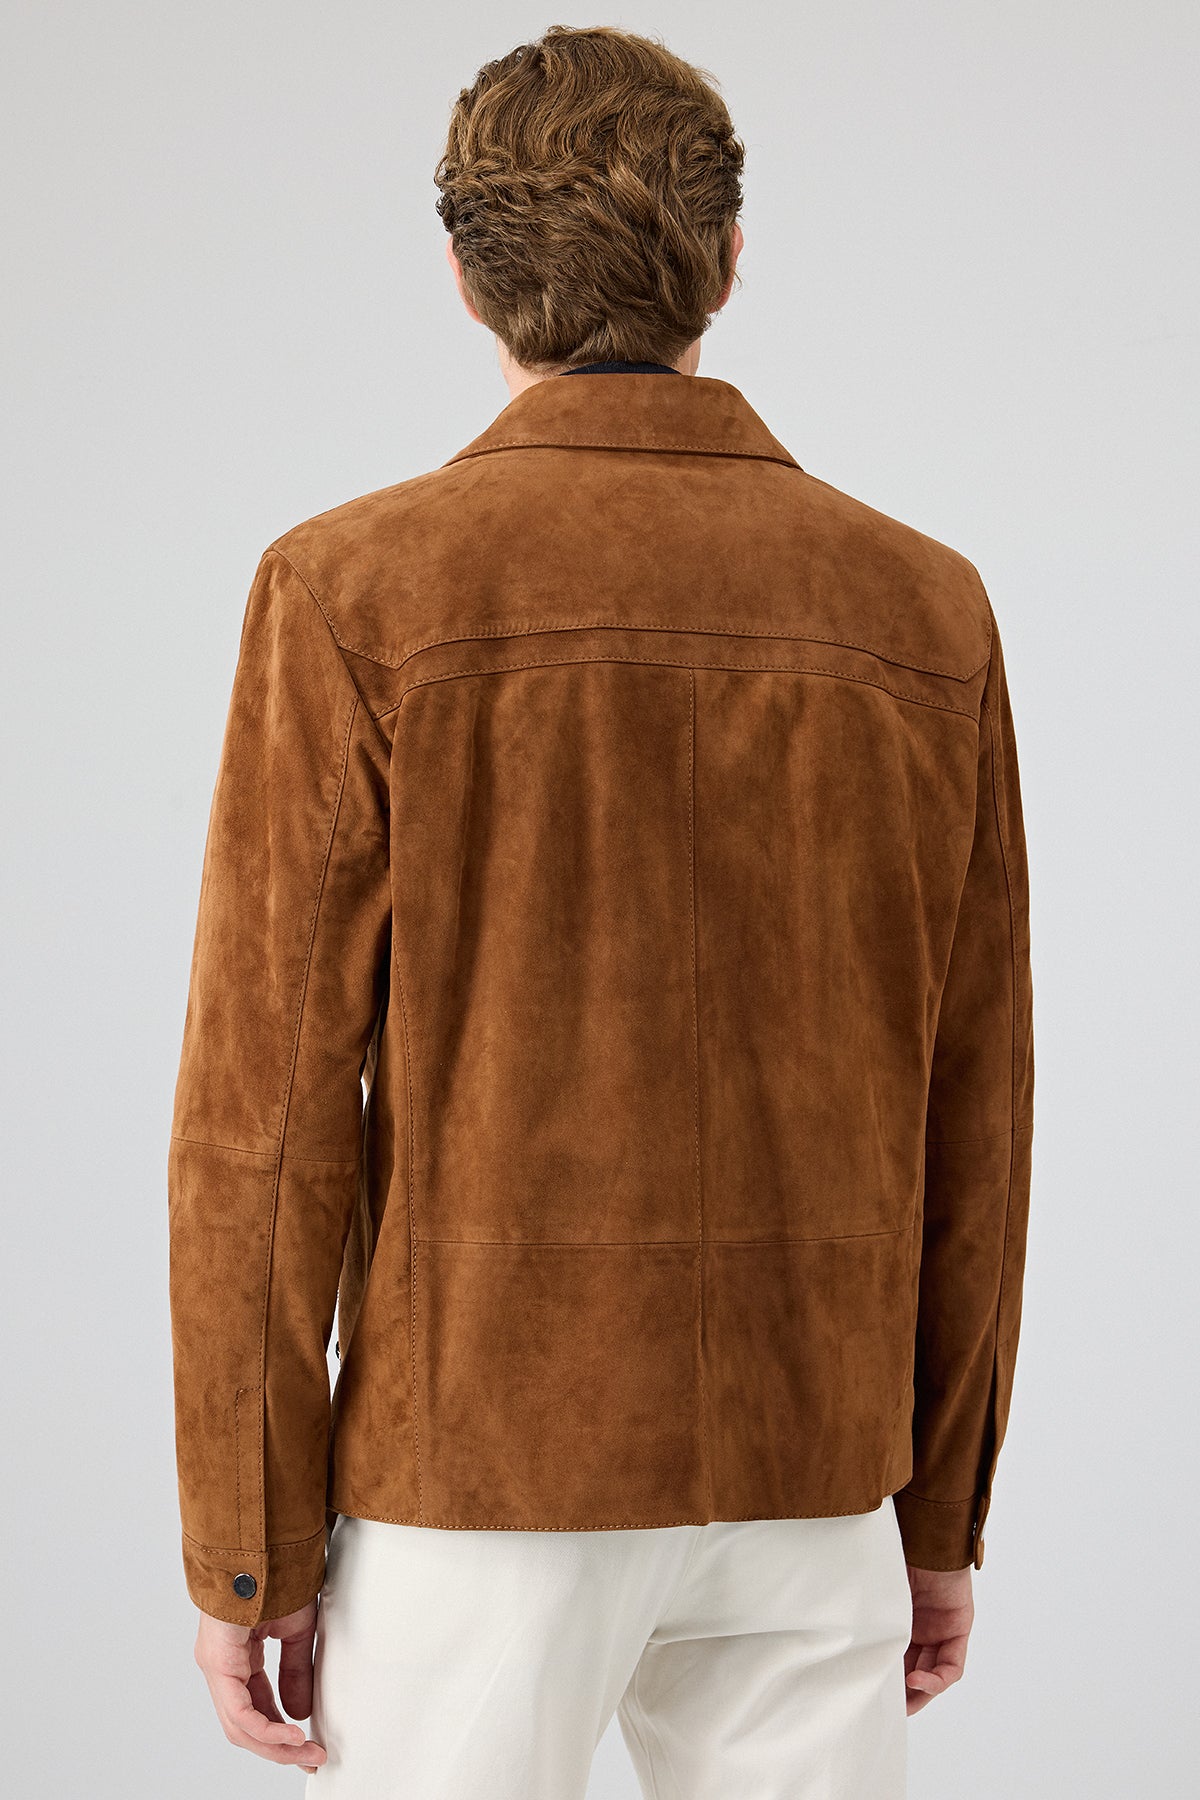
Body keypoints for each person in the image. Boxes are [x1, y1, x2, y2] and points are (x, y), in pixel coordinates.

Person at [167, 24, 1035, 1799]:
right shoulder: (922, 608)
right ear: (729, 260)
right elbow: (979, 1107)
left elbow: (264, 1126)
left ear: (465, 278)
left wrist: (248, 1543)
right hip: (813, 1475)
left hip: (479, 1480)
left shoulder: (355, 592)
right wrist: (938, 1511)